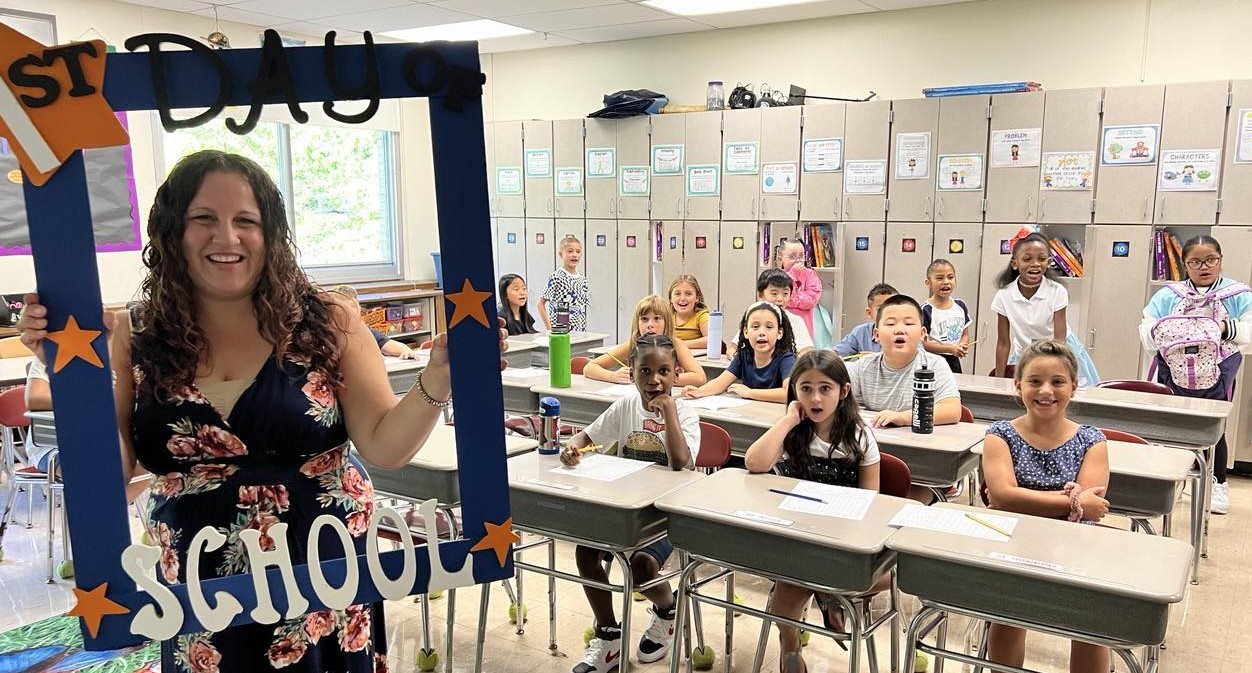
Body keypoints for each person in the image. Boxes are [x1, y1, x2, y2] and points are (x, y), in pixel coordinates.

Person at [17, 150, 507, 672]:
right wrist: (77, 385)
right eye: (203, 219)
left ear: (270, 232)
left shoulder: (329, 319)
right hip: (198, 585)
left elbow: (385, 445)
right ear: (171, 232)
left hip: (324, 571)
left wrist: (438, 380)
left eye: (245, 221)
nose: (226, 238)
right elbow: (113, 472)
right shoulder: (135, 336)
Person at [560, 334, 700, 673]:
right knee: (585, 552)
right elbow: (588, 436)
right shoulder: (625, 406)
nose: (655, 380)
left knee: (640, 568)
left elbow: (683, 462)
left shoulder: (684, 411)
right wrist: (573, 446)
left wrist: (669, 415)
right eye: (645, 371)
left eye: (664, 371)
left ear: (676, 374)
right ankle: (608, 635)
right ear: (632, 373)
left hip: (666, 514)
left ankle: (667, 610)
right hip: (625, 508)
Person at [744, 350, 880, 673]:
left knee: (883, 576)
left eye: (825, 389)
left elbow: (871, 501)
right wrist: (789, 419)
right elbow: (753, 462)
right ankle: (790, 646)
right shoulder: (794, 431)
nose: (815, 398)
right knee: (783, 601)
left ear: (843, 391)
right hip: (797, 537)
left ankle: (823, 593)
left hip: (841, 541)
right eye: (805, 389)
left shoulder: (859, 437)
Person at [981, 339, 1110, 673]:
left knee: (1089, 624)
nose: (1046, 391)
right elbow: (1002, 496)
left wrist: (1072, 504)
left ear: (1074, 387)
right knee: (1009, 615)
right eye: (1035, 381)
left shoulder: (1091, 440)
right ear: (1018, 385)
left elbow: (1092, 504)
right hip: (1013, 543)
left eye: (1057, 382)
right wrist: (1072, 502)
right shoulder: (999, 435)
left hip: (1074, 549)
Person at [1140, 235, 1251, 515]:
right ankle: (1175, 478)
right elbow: (1148, 328)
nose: (1204, 266)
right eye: (1195, 262)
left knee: (1212, 424)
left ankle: (1217, 482)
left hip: (1218, 369)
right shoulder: (1169, 294)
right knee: (1172, 423)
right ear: (1184, 264)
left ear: (1220, 260)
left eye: (1211, 259)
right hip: (1172, 369)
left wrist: (1222, 330)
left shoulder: (1238, 294)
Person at [991, 231, 1099, 386]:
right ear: (1015, 263)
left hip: (1060, 352)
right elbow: (1003, 343)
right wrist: (998, 381)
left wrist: (1054, 371)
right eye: (1027, 259)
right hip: (1024, 353)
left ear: (1048, 262)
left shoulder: (1057, 291)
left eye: (1041, 259)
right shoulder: (1004, 295)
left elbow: (1059, 340)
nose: (1035, 264)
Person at [845, 294, 961, 429]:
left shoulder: (934, 365)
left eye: (909, 323)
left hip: (918, 443)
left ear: (922, 333)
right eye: (890, 324)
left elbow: (952, 410)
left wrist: (903, 417)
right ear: (876, 335)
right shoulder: (863, 366)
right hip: (877, 442)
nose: (899, 330)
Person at [682, 301, 796, 404]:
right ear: (746, 332)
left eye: (769, 327)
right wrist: (699, 391)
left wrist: (750, 393)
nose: (762, 332)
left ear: (780, 333)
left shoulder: (787, 359)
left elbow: (789, 393)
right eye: (755, 327)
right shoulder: (744, 355)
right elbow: (720, 383)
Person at [583, 296, 706, 387]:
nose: (650, 325)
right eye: (644, 319)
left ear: (667, 322)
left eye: (657, 319)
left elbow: (700, 377)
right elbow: (590, 367)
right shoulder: (633, 344)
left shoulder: (677, 345)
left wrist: (661, 379)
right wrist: (613, 376)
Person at [728, 269, 813, 358]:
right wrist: (741, 365)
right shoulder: (753, 317)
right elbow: (732, 349)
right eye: (774, 293)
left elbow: (806, 352)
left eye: (785, 293)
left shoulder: (796, 321)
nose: (780, 299)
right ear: (761, 295)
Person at [331, 284, 422, 359]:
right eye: (344, 308)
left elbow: (389, 344)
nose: (350, 311)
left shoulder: (366, 331)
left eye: (353, 306)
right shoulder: (329, 335)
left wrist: (407, 351)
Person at [921, 260, 972, 374]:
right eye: (939, 278)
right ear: (928, 283)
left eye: (950, 277)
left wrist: (962, 344)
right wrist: (950, 348)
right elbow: (923, 344)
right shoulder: (925, 310)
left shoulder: (960, 305)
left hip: (954, 361)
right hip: (932, 362)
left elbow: (965, 334)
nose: (946, 282)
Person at [538, 235, 589, 332]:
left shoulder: (582, 279)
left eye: (578, 251)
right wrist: (550, 329)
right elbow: (540, 303)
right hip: (561, 332)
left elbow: (581, 307)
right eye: (570, 251)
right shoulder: (557, 277)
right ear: (561, 254)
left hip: (580, 331)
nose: (574, 255)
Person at [834, 283, 897, 358]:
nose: (889, 313)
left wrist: (875, 358)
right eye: (880, 309)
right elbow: (837, 353)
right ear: (869, 313)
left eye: (893, 308)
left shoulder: (906, 332)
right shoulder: (861, 332)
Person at [778, 240, 822, 337]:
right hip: (781, 330)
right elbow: (778, 299)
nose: (798, 260)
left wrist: (791, 299)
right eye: (792, 257)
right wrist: (792, 274)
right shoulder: (776, 277)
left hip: (804, 331)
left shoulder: (810, 274)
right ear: (780, 259)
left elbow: (811, 300)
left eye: (801, 256)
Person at [668, 274, 709, 349]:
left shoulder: (702, 316)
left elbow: (711, 340)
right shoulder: (667, 316)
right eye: (677, 294)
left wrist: (680, 344)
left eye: (688, 294)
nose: (682, 298)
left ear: (697, 298)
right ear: (671, 298)